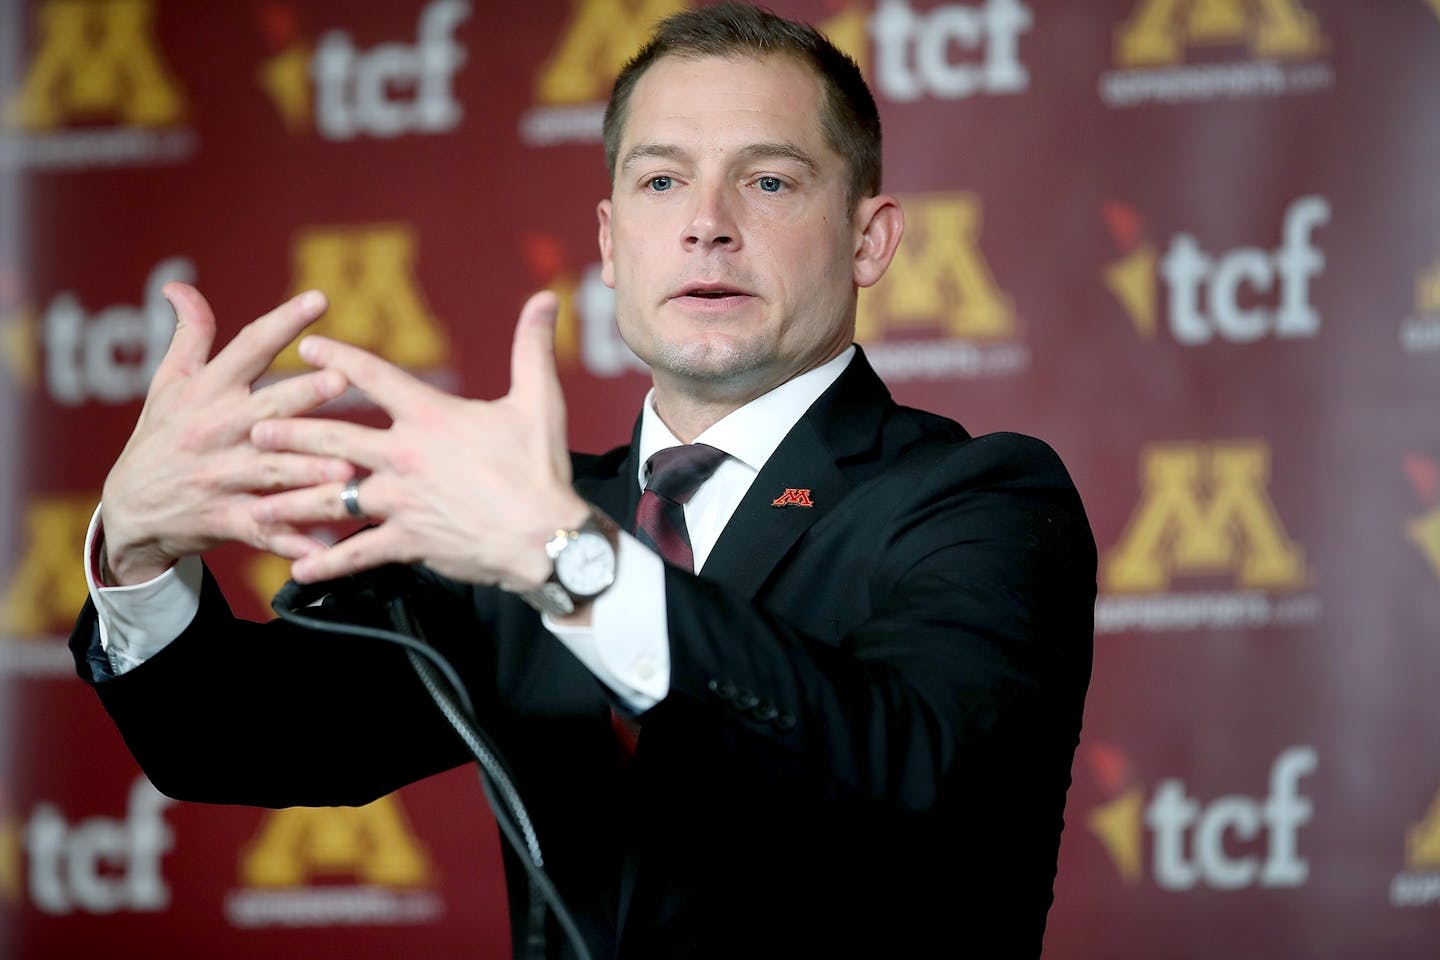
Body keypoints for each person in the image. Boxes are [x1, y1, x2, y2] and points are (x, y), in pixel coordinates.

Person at [70, 4, 1095, 957]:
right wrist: (136, 551)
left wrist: (568, 562)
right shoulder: (534, 514)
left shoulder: (980, 500)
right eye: (660, 181)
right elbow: (245, 741)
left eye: (770, 180)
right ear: (609, 243)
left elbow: (918, 776)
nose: (707, 222)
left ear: (868, 239)